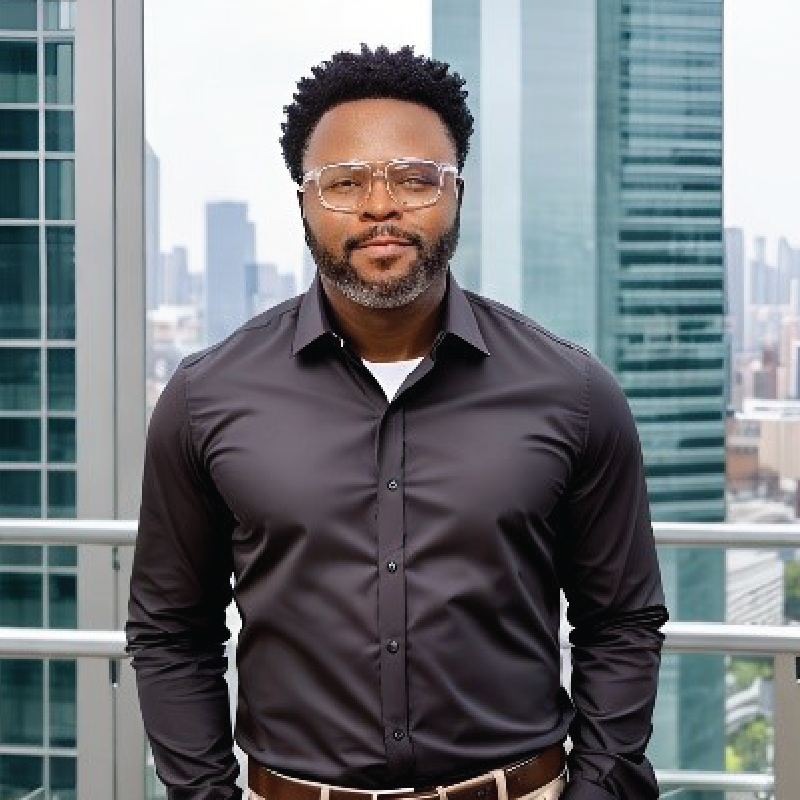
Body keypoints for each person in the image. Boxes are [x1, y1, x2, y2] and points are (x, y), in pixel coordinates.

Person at [127, 44, 669, 800]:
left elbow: (622, 621)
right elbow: (171, 632)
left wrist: (598, 790)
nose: (381, 206)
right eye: (345, 182)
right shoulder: (205, 395)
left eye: (416, 179)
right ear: (304, 203)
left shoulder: (573, 392)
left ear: (456, 193)